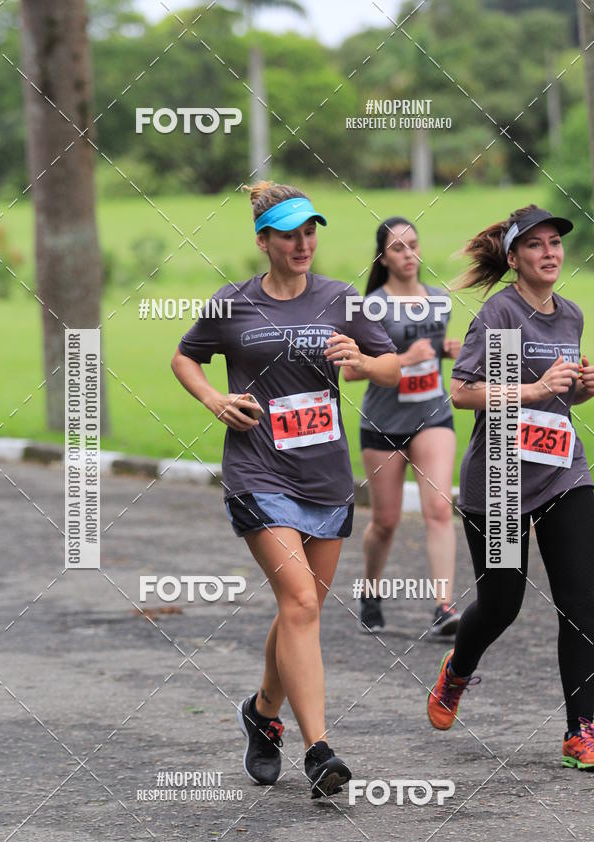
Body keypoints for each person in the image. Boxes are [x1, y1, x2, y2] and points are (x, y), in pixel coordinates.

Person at [171, 181, 400, 798]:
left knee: (302, 609)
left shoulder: (343, 299)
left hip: (325, 476)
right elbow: (184, 357)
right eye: (290, 234)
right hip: (258, 472)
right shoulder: (234, 303)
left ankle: (262, 712)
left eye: (310, 231)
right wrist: (214, 397)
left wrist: (361, 361)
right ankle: (319, 750)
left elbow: (393, 366)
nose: (303, 244)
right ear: (263, 240)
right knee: (299, 601)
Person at [427, 204, 594, 770]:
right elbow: (467, 392)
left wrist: (580, 390)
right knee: (502, 603)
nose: (550, 253)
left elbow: (558, 398)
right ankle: (457, 669)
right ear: (515, 258)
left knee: (582, 602)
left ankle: (582, 731)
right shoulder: (500, 314)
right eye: (536, 245)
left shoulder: (569, 316)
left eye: (556, 243)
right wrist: (536, 387)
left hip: (562, 472)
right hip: (500, 475)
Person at [344, 217, 462, 637]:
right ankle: (371, 592)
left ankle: (444, 606)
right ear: (383, 257)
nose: (408, 254)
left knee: (438, 509)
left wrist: (449, 352)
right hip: (383, 425)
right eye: (398, 248)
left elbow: (433, 352)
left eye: (413, 245)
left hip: (433, 416)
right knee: (386, 521)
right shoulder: (370, 306)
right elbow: (352, 373)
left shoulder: (439, 299)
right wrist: (405, 361)